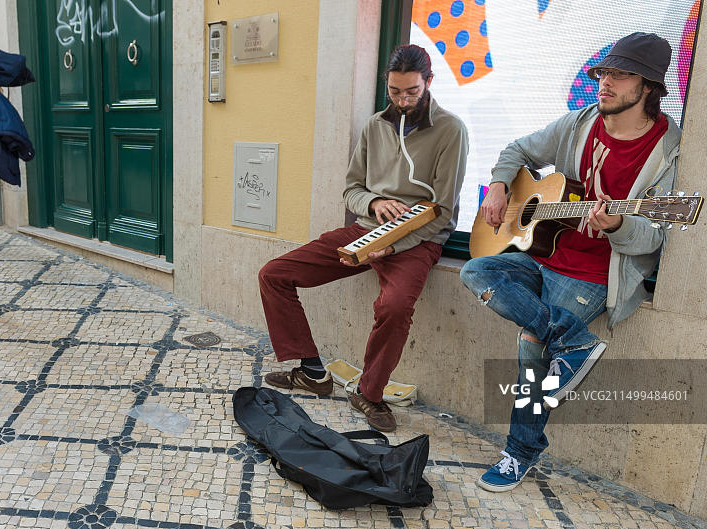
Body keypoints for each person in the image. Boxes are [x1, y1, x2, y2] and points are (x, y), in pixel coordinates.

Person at [460, 33, 680, 491]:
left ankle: (517, 454)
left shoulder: (667, 152)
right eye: (603, 72)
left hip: (597, 273)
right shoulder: (579, 123)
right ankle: (573, 343)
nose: (605, 83)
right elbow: (516, 151)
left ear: (650, 87)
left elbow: (654, 237)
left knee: (530, 344)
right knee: (475, 268)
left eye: (620, 75)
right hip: (546, 256)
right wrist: (500, 185)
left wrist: (618, 225)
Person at [258, 45, 468, 432]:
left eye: (411, 92)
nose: (402, 102)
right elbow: (351, 189)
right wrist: (373, 203)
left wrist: (394, 243)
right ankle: (311, 371)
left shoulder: (451, 130)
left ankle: (369, 394)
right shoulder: (375, 126)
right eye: (394, 92)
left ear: (429, 83)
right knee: (274, 274)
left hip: (418, 241)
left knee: (394, 307)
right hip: (366, 230)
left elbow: (442, 208)